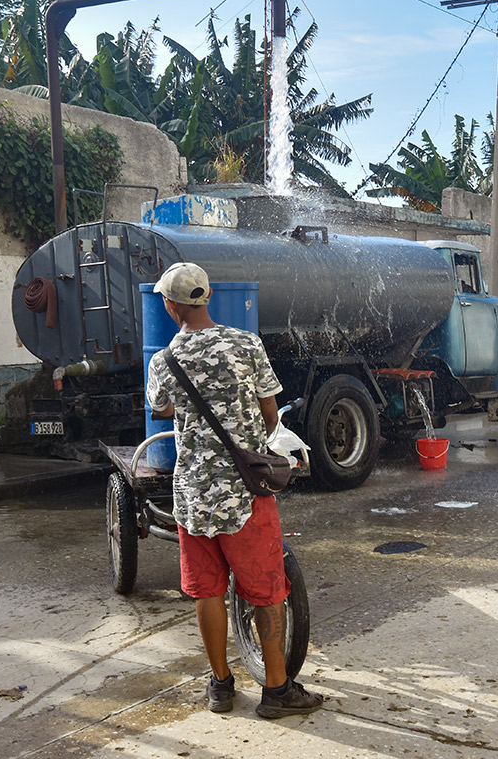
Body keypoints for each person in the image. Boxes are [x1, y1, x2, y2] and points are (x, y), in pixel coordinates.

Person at [145, 262, 323, 719]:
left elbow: (161, 410)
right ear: (207, 299)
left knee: (207, 591)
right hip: (245, 490)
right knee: (266, 591)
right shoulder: (247, 343)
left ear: (170, 305)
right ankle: (277, 691)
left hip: (192, 494)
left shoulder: (162, 361)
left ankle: (221, 686)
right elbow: (269, 413)